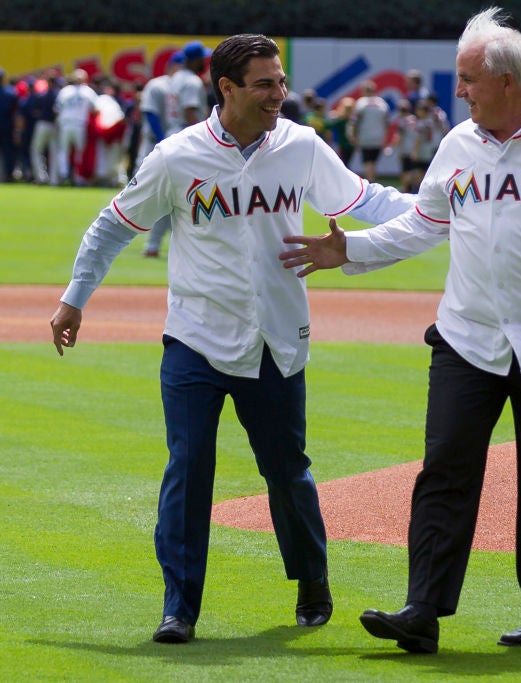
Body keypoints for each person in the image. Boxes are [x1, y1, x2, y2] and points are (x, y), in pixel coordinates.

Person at [280, 6, 521, 654]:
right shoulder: (457, 145)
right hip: (466, 337)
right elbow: (424, 224)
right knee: (445, 470)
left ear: (508, 81)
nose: (458, 91)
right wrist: (355, 251)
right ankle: (422, 610)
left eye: (468, 79)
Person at [50, 33, 415, 645]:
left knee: (286, 471)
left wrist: (444, 211)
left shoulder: (300, 146)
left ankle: (312, 579)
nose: (280, 94)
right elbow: (112, 226)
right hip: (195, 338)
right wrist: (73, 299)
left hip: (277, 340)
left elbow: (367, 199)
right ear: (226, 89)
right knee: (188, 469)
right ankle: (179, 607)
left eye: (280, 82)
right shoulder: (176, 157)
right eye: (265, 84)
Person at [137, 52, 183, 258]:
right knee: (163, 201)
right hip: (154, 148)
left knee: (172, 201)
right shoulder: (158, 85)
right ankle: (156, 244)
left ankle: (154, 245)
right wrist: (164, 141)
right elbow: (150, 113)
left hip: (174, 150)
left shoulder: (182, 85)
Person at [55, 69, 98, 186]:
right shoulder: (88, 91)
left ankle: (65, 175)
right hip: (79, 124)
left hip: (66, 123)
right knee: (78, 152)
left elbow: (57, 109)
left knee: (65, 151)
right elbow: (95, 110)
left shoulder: (65, 91)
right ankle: (77, 176)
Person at [349, 80, 390, 182]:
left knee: (367, 162)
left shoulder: (361, 103)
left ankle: (370, 182)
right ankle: (372, 181)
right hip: (378, 136)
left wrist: (353, 135)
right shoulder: (382, 103)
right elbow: (387, 121)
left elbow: (354, 121)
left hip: (365, 136)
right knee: (373, 162)